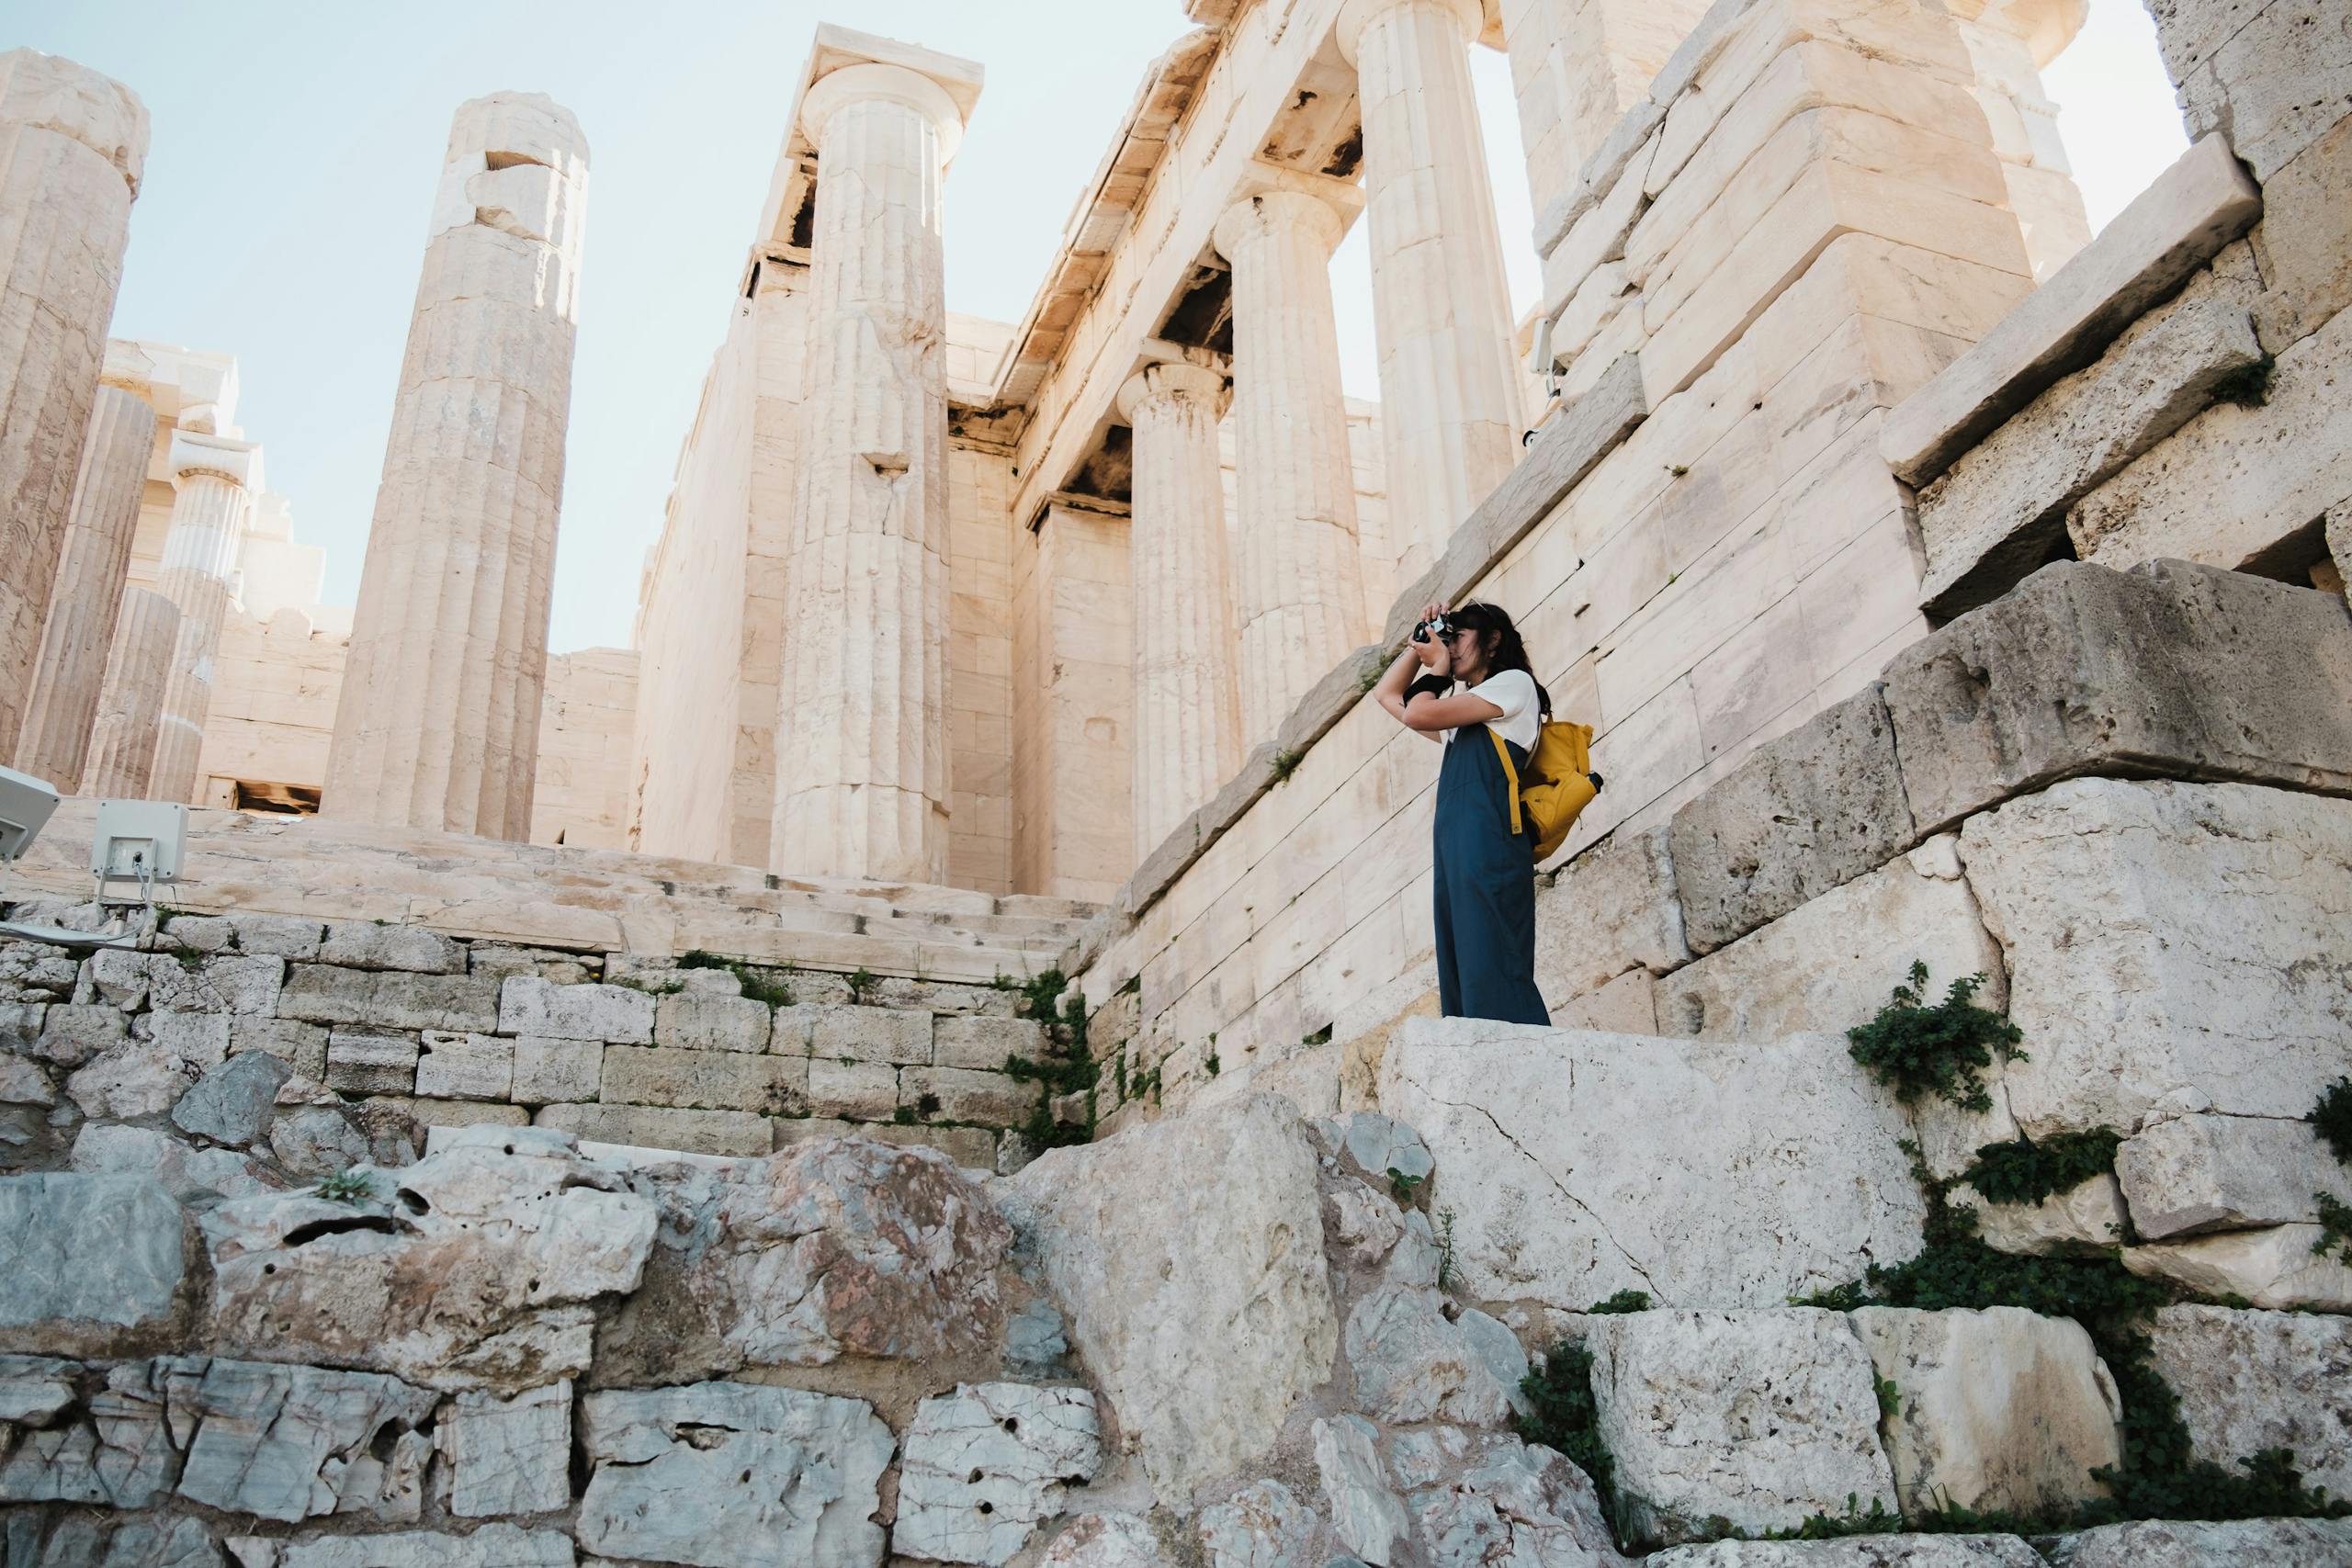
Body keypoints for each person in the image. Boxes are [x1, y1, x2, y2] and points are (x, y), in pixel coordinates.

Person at [1371, 599, 1554, 1026]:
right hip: (1457, 845)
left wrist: (1434, 670)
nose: (1449, 648)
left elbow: (1417, 713)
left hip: (1489, 839)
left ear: (1493, 641)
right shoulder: (1464, 712)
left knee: (1491, 952)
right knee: (1461, 958)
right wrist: (1422, 640)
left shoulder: (1513, 685)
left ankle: (1522, 1052)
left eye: (1458, 637)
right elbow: (1386, 695)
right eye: (1446, 639)